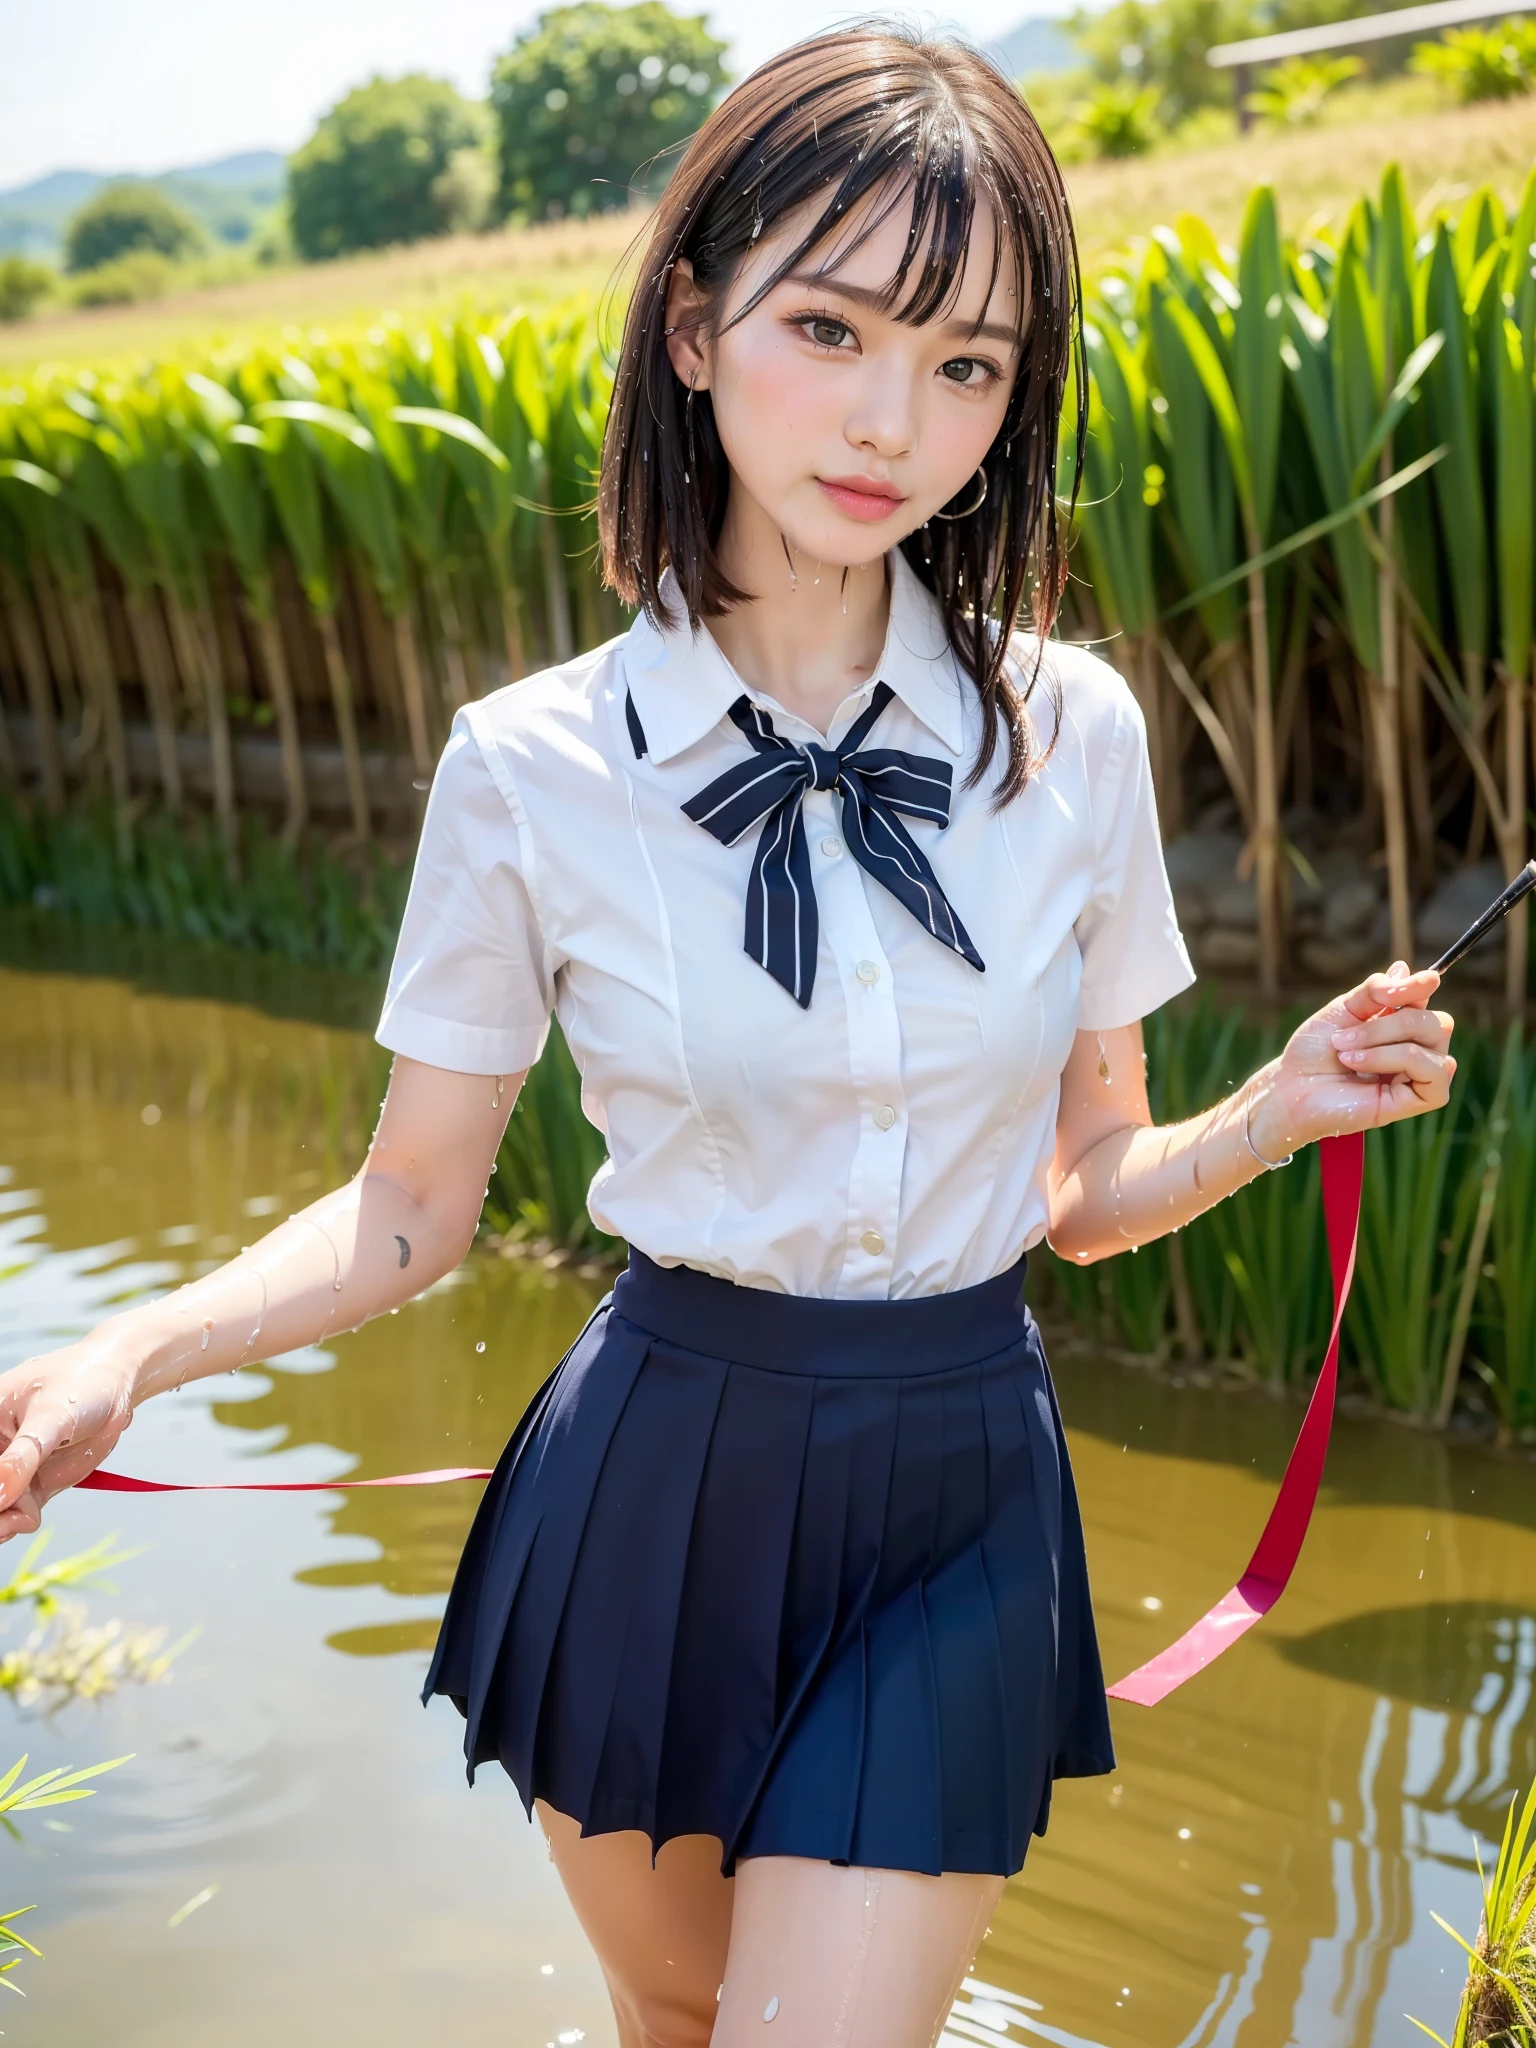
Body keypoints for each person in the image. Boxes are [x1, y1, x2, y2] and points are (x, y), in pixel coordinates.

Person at [0, 26, 1455, 2048]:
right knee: (672, 2023)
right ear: (694, 326)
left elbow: (1080, 1196)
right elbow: (411, 1206)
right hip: (656, 1487)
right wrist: (122, 1352)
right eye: (834, 326)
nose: (895, 419)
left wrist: (1273, 1112)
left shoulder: (1075, 739)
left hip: (960, 1490)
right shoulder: (532, 767)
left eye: (968, 362)